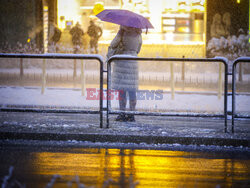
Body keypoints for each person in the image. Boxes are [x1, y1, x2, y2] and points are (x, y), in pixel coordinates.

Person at [107, 25, 142, 122]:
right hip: (133, 61)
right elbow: (138, 50)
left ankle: (122, 113)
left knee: (122, 90)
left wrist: (120, 34)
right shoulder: (138, 34)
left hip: (122, 61)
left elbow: (113, 44)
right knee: (132, 90)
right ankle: (132, 114)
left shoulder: (122, 33)